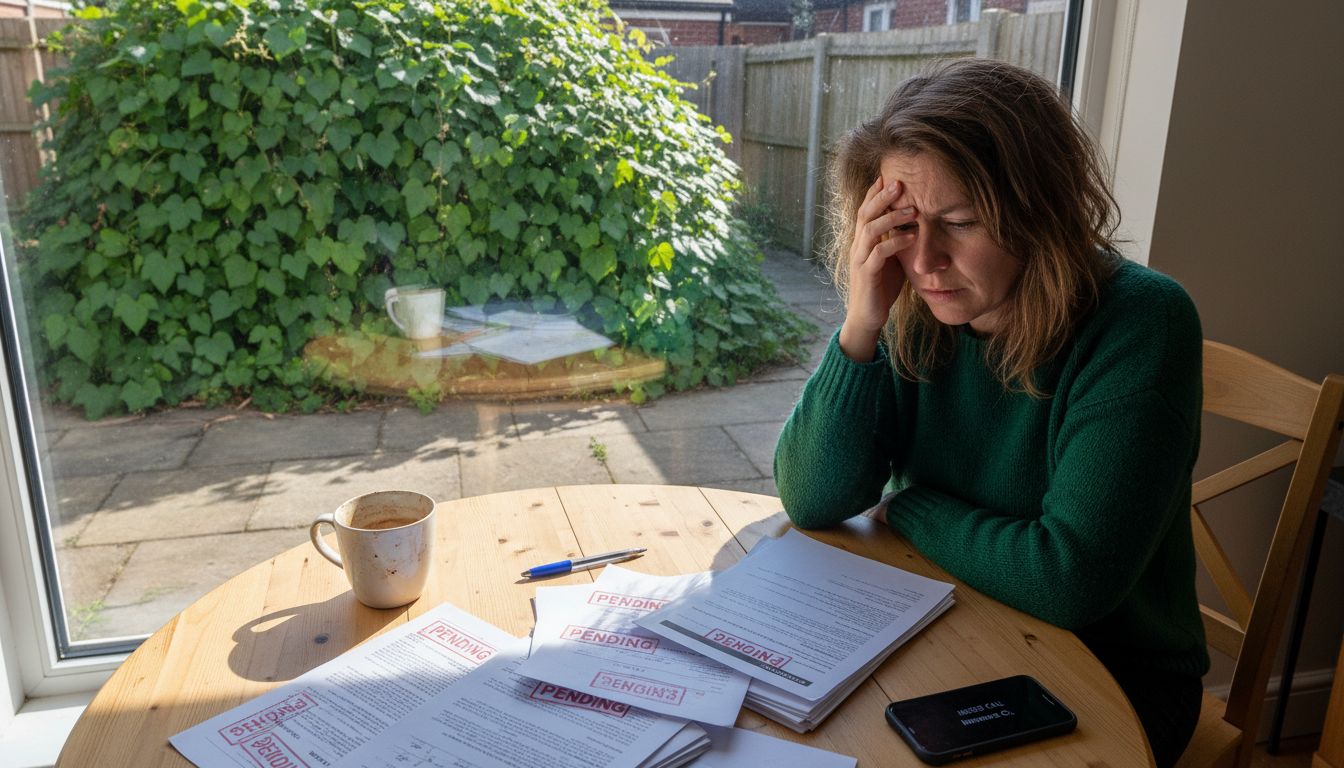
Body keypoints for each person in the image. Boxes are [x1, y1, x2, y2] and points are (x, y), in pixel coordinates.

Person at [773, 58, 1208, 768]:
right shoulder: (913, 306)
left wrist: (911, 508)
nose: (924, 261)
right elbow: (813, 496)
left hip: (1114, 676)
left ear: (1041, 207)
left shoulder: (1141, 321)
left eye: (960, 223)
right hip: (949, 615)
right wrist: (862, 322)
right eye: (903, 226)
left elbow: (1067, 579)